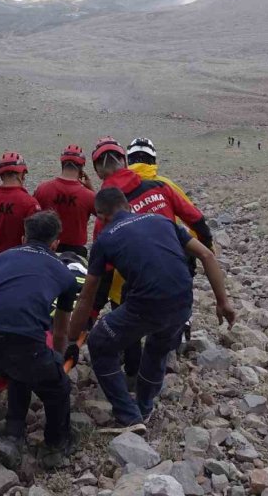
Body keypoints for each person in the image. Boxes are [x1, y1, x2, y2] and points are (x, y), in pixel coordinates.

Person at [66, 188, 235, 432]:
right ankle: (144, 407)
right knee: (157, 348)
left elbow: (87, 295)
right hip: (182, 302)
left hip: (147, 304)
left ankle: (129, 417)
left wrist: (73, 337)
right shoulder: (162, 220)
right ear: (127, 206)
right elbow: (207, 255)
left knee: (101, 342)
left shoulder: (105, 238)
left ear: (101, 217)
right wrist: (223, 301)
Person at [90, 136, 215, 385]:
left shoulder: (105, 208)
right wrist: (198, 255)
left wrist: (92, 311)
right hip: (172, 271)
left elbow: (102, 266)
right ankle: (156, 373)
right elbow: (197, 221)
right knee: (167, 327)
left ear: (97, 171)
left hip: (125, 284)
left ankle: (133, 376)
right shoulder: (161, 186)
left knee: (129, 330)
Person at [0, 211, 79, 470]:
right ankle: (55, 445)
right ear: (56, 243)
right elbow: (60, 332)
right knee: (57, 387)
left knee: (19, 374)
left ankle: (12, 437)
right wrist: (57, 360)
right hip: (27, 348)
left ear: (24, 237)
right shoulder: (65, 275)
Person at [33, 144, 96, 257]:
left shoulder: (42, 189)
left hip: (46, 247)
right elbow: (104, 213)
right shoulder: (88, 195)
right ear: (82, 168)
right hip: (76, 252)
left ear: (62, 164)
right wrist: (91, 189)